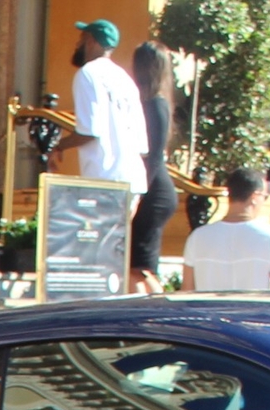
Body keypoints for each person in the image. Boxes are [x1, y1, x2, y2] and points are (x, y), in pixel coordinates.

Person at [63, 20, 148, 195]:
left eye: (82, 39)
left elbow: (89, 131)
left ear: (92, 42)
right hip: (134, 180)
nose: (78, 44)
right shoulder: (125, 79)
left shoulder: (87, 73)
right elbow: (142, 145)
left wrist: (57, 147)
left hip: (104, 181)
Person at [178, 167, 270, 291]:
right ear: (255, 197)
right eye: (265, 196)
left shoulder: (198, 237)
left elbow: (186, 289)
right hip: (253, 309)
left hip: (208, 310)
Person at [125, 41, 177, 291]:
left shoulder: (156, 104)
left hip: (154, 193)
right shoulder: (151, 102)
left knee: (140, 267)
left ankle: (160, 311)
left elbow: (154, 154)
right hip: (152, 189)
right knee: (134, 266)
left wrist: (139, 193)